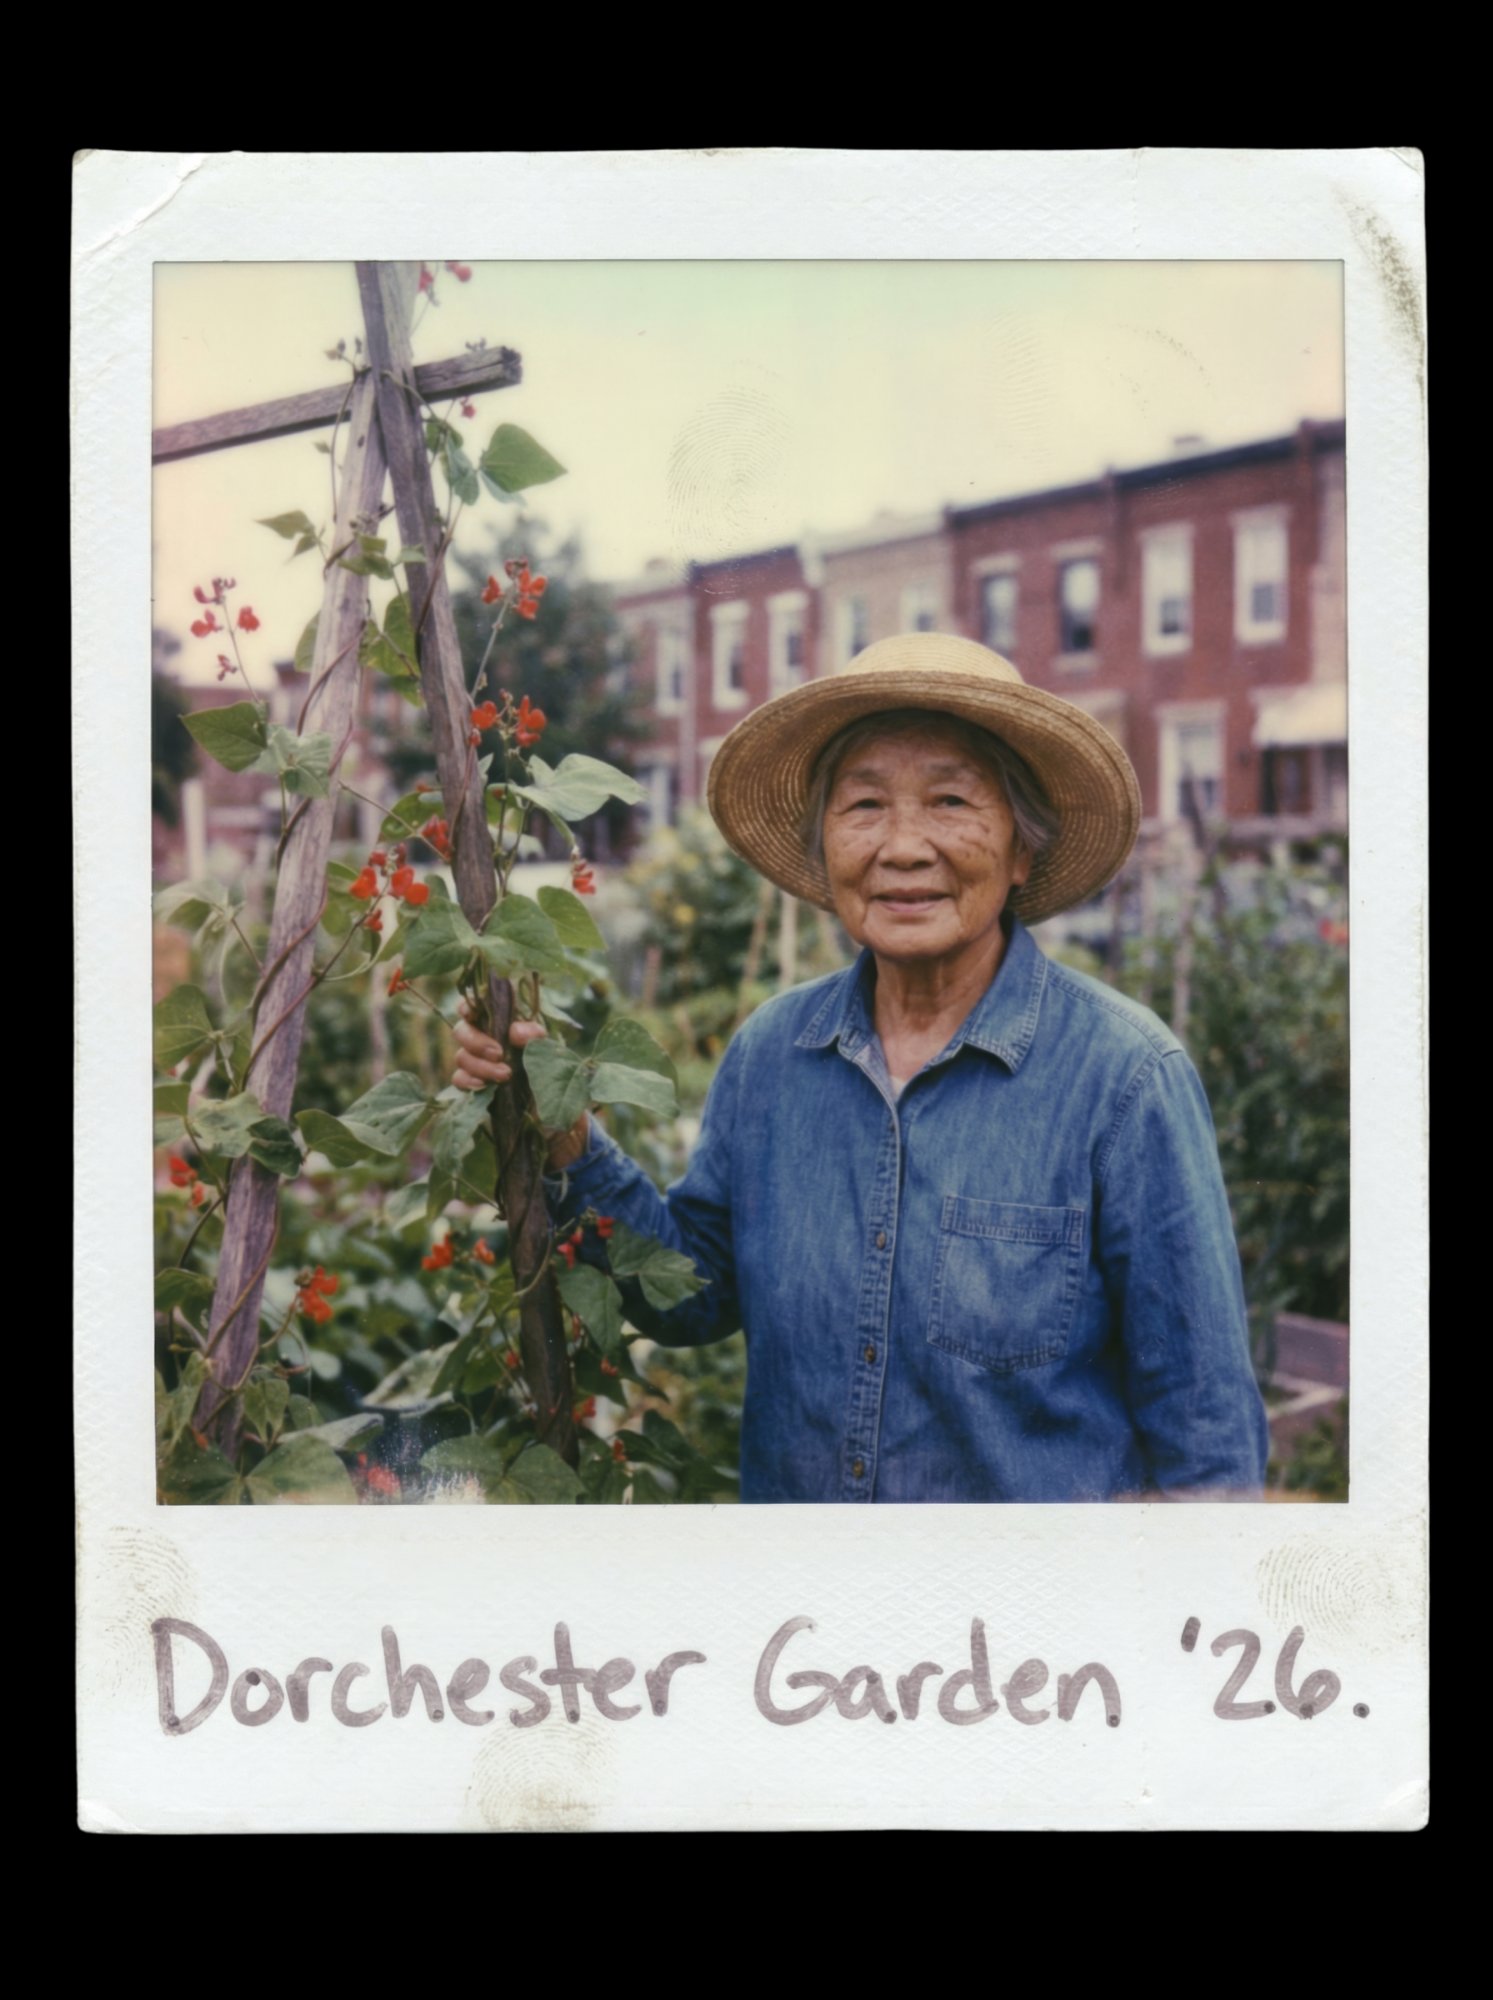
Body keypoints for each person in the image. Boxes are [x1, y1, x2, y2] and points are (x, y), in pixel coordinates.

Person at [453, 633, 1269, 1502]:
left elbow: (1209, 1454)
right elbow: (687, 1299)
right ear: (822, 850)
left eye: (951, 801)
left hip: (1020, 1629)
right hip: (807, 1617)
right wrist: (572, 1142)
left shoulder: (1123, 1078)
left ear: (1023, 849)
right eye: (864, 806)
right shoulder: (772, 1054)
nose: (903, 847)